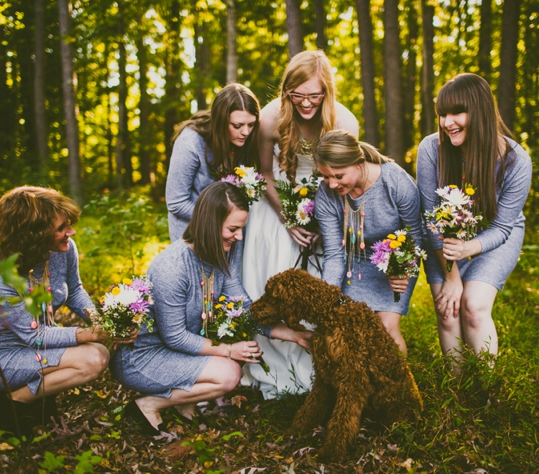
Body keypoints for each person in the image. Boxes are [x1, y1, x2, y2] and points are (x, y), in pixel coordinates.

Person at [112, 182, 309, 433]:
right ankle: (149, 404)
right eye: (233, 229)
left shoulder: (220, 257)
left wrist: (293, 334)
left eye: (241, 229)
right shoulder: (172, 268)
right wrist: (228, 349)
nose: (239, 237)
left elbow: (245, 309)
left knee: (231, 361)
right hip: (142, 357)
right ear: (209, 224)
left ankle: (185, 404)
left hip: (179, 352)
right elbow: (174, 336)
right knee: (229, 374)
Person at [241, 50, 359, 399]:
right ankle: (271, 373)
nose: (306, 103)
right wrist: (289, 218)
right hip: (277, 204)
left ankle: (314, 374)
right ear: (287, 90)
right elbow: (264, 174)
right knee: (273, 277)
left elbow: (346, 179)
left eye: (314, 95)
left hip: (327, 204)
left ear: (327, 92)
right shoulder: (270, 117)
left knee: (316, 287)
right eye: (298, 95)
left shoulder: (344, 122)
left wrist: (324, 222)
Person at [0, 186, 127, 436]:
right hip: (3, 359)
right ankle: (12, 403)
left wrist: (99, 321)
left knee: (98, 352)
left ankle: (39, 401)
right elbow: (35, 336)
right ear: (32, 234)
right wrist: (89, 334)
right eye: (61, 228)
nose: (71, 232)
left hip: (40, 347)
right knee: (93, 359)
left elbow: (75, 290)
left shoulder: (62, 251)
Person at [416, 73, 532, 365]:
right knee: (448, 311)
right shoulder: (431, 150)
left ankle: (487, 391)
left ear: (479, 111)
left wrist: (468, 249)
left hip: (493, 236)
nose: (447, 122)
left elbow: (503, 226)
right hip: (442, 237)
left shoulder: (516, 161)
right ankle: (456, 396)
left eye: (457, 112)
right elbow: (431, 219)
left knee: (474, 307)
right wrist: (452, 275)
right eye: (442, 114)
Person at [313, 130, 425, 355]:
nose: (332, 184)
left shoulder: (395, 181)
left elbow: (415, 234)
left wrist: (402, 268)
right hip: (354, 264)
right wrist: (328, 298)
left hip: (394, 263)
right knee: (344, 330)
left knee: (385, 328)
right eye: (325, 176)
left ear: (359, 163)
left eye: (338, 176)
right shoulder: (325, 195)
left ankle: (401, 387)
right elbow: (335, 254)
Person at [166, 83, 261, 242]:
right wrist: (222, 219)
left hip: (231, 237)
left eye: (251, 125)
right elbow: (176, 203)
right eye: (237, 126)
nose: (245, 132)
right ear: (220, 121)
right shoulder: (190, 142)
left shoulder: (245, 141)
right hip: (193, 235)